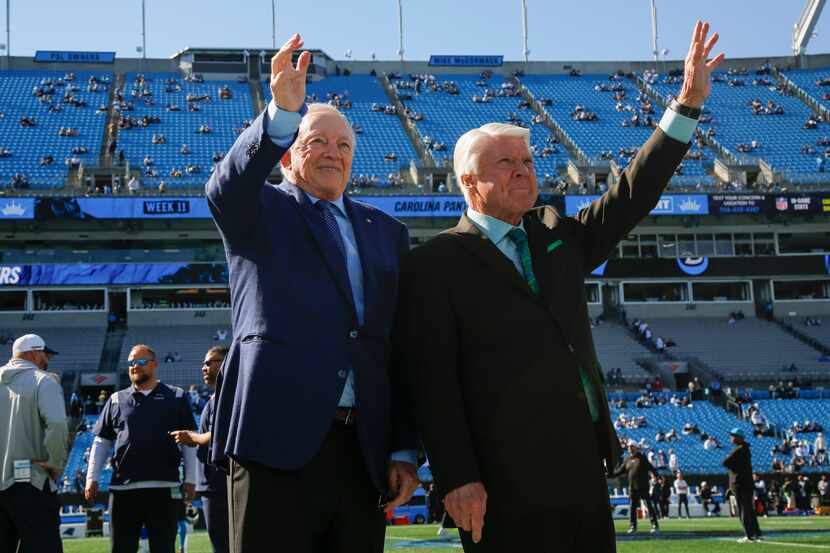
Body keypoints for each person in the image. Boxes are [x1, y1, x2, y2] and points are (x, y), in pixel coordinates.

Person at [393, 21, 724, 552]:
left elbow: (629, 196)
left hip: (580, 460)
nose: (524, 171)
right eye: (505, 163)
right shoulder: (434, 264)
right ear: (469, 183)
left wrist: (684, 106)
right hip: (501, 475)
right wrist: (457, 475)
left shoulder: (555, 234)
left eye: (527, 161)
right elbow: (433, 382)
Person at [206, 33, 418, 553]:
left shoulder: (387, 231)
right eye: (316, 142)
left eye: (344, 145)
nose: (333, 153)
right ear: (286, 158)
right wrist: (282, 111)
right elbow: (225, 187)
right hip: (273, 441)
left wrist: (405, 448)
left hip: (363, 453)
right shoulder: (261, 210)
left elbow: (400, 346)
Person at [85, 344, 198, 553]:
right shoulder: (116, 399)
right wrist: (91, 477)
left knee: (164, 548)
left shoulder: (177, 396)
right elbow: (102, 442)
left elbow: (189, 442)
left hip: (164, 488)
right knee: (121, 548)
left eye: (141, 361)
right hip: (123, 491)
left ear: (154, 365)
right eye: (131, 363)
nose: (135, 366)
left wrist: (191, 479)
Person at [0, 334, 68, 553]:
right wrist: (55, 462)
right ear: (35, 353)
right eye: (45, 355)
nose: (47, 360)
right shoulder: (44, 381)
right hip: (32, 482)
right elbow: (57, 423)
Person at [171, 346, 229, 553]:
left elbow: (218, 435)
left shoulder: (227, 397)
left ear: (226, 363)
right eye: (203, 363)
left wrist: (191, 436)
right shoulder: (216, 398)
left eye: (209, 362)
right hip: (212, 485)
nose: (204, 367)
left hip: (220, 487)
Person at [723, 428, 763, 543]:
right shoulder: (745, 449)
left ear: (739, 437)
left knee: (743, 510)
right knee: (749, 509)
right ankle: (756, 533)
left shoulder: (739, 450)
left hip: (739, 483)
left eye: (733, 435)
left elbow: (725, 462)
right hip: (747, 483)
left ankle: (749, 535)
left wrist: (735, 471)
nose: (731, 438)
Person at [612, 443, 660, 534]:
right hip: (632, 488)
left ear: (636, 447)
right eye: (629, 446)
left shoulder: (642, 458)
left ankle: (655, 525)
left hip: (643, 487)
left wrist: (657, 476)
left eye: (632, 446)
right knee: (632, 508)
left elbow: (652, 468)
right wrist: (609, 474)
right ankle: (633, 526)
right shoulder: (627, 460)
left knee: (648, 506)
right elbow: (619, 472)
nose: (629, 448)